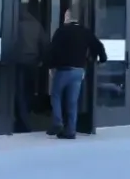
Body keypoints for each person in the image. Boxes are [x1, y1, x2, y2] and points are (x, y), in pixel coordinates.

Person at [43, 8, 105, 140]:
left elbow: (51, 49)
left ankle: (57, 122)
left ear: (67, 17)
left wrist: (49, 66)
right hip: (78, 71)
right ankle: (71, 131)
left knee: (56, 95)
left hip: (63, 70)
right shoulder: (85, 32)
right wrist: (99, 59)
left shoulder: (61, 31)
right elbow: (98, 46)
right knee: (72, 101)